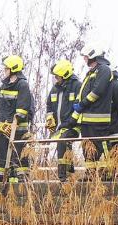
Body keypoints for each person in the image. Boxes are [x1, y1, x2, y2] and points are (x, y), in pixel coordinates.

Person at [0, 55, 34, 183]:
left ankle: (22, 176)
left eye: (6, 68)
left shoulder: (22, 85)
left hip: (18, 128)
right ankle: (1, 176)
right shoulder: (4, 85)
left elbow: (23, 107)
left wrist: (13, 121)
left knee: (19, 152)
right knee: (2, 150)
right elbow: (2, 103)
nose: (5, 70)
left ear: (13, 69)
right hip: (4, 126)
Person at [73, 45, 114, 180]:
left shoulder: (104, 70)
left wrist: (82, 104)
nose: (84, 59)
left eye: (86, 56)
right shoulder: (92, 71)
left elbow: (97, 91)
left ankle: (109, 173)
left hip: (98, 119)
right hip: (87, 119)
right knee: (87, 147)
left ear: (93, 55)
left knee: (101, 145)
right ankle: (90, 174)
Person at [45, 59, 82, 182]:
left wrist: (70, 122)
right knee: (65, 145)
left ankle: (62, 175)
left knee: (63, 142)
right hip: (60, 127)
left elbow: (80, 106)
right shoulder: (55, 89)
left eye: (58, 76)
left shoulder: (77, 86)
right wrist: (50, 118)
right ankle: (70, 172)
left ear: (65, 74)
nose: (56, 78)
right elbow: (49, 105)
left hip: (73, 126)